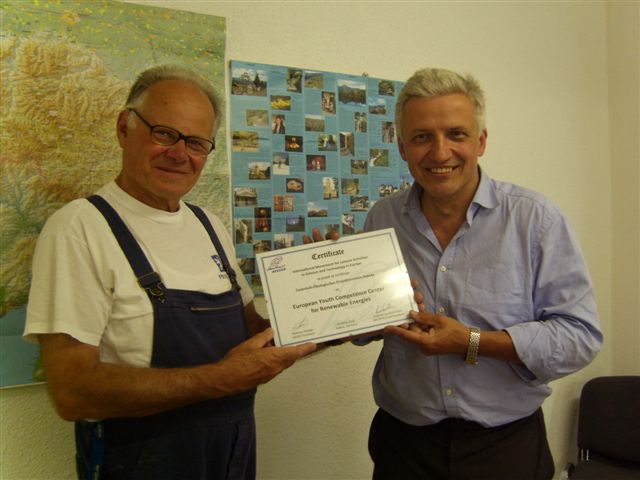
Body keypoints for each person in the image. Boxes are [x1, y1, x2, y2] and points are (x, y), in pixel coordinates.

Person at [23, 65, 316, 480]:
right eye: (164, 133)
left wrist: (343, 308)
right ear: (125, 128)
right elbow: (73, 394)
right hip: (139, 461)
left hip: (231, 454)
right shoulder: (79, 228)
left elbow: (254, 331)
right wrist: (218, 379)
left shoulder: (208, 225)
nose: (180, 154)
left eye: (196, 142)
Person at [361, 67, 603, 480]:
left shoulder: (535, 220)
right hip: (404, 446)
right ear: (402, 147)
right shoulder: (382, 218)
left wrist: (472, 342)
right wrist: (332, 285)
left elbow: (580, 337)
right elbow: (366, 326)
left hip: (504, 448)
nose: (439, 153)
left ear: (481, 141)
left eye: (456, 134)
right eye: (422, 137)